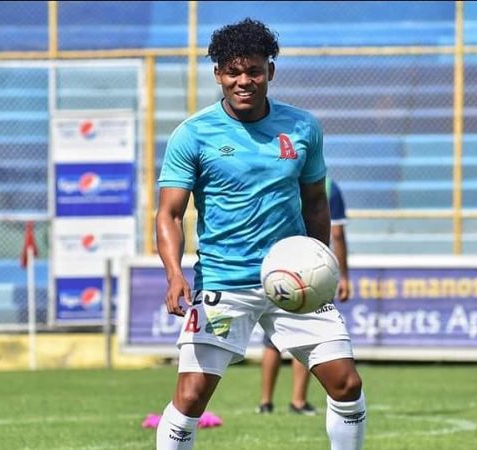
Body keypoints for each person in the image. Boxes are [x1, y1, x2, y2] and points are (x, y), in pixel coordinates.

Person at [154, 18, 366, 450]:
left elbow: (316, 203)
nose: (244, 81)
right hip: (224, 283)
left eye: (253, 70)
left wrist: (320, 262)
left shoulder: (303, 127)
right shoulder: (192, 134)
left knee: (346, 384)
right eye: (233, 72)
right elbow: (169, 214)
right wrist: (174, 274)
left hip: (294, 279)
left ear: (270, 70)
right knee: (191, 397)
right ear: (218, 74)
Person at [257, 178, 351, 416]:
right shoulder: (327, 185)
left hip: (276, 268)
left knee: (271, 341)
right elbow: (337, 233)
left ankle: (265, 401)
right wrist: (343, 275)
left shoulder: (279, 178)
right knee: (308, 336)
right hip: (311, 272)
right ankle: (298, 400)